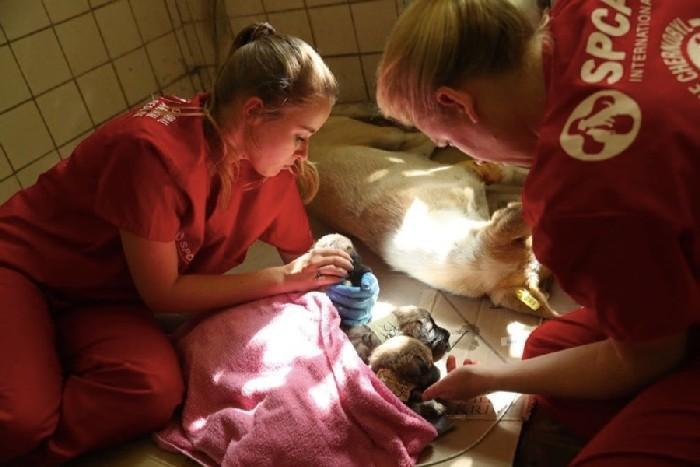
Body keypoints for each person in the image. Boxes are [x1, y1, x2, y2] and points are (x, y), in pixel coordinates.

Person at [0, 23, 378, 465]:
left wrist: (345, 282)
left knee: (152, 391)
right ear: (254, 112)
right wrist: (285, 278)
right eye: (301, 136)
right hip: (25, 268)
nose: (304, 153)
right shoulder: (151, 151)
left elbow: (303, 259)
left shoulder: (268, 172)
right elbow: (164, 292)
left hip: (105, 298)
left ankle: (34, 411)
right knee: (20, 421)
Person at [376, 0, 699, 465]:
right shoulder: (585, 9)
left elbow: (652, 357)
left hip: (663, 346)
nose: (460, 152)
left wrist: (492, 379)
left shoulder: (583, 198)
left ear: (458, 104)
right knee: (545, 349)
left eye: (445, 139)